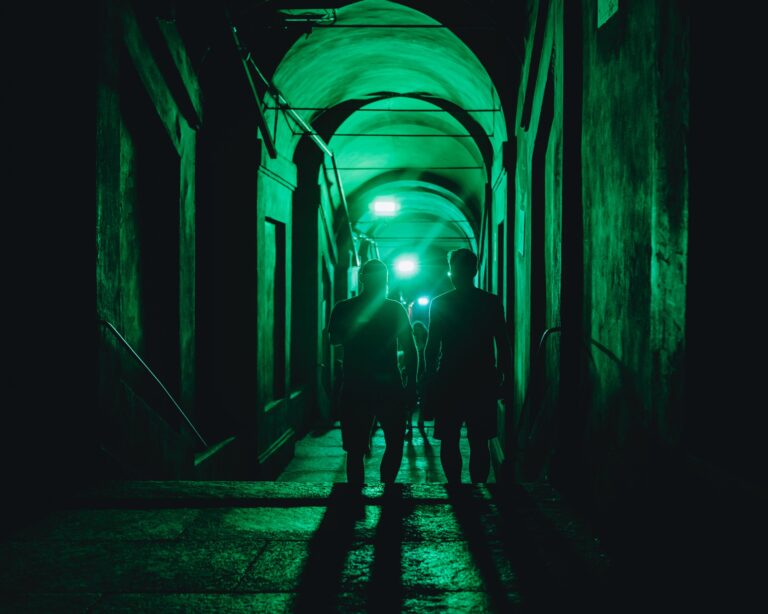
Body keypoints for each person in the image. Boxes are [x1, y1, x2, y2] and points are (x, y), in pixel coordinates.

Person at [424, 248, 512, 484]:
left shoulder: (440, 303)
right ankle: (478, 490)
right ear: (475, 270)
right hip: (482, 379)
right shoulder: (490, 302)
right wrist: (505, 378)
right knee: (480, 441)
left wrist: (429, 381)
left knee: (450, 439)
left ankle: (455, 489)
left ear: (451, 272)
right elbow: (503, 344)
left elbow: (431, 348)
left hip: (449, 380)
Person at [327, 259, 418, 485]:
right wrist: (412, 384)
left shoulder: (344, 307)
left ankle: (357, 495)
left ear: (362, 278)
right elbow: (410, 348)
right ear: (385, 280)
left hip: (356, 384)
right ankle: (387, 489)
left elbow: (334, 339)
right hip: (388, 385)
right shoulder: (394, 309)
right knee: (394, 442)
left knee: (356, 449)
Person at [405, 320, 429, 438]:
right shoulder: (410, 342)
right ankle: (409, 424)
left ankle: (420, 420)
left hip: (422, 373)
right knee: (410, 399)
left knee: (423, 398)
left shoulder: (426, 342)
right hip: (413, 371)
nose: (417, 332)